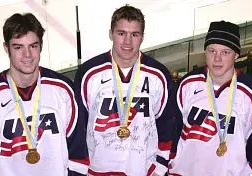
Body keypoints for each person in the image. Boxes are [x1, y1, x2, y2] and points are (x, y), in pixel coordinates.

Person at [74, 5, 178, 176]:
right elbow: (79, 127)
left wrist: (158, 168)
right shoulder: (89, 73)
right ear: (111, 34)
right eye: (121, 33)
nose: (127, 42)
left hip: (142, 170)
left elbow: (166, 125)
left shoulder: (158, 75)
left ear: (142, 38)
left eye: (134, 35)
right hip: (97, 170)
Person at [0, 13, 89, 176]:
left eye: (33, 46)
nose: (27, 55)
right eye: (18, 47)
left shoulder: (64, 90)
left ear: (41, 45)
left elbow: (78, 153)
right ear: (6, 48)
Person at [168, 21, 252, 176]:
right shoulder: (188, 83)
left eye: (225, 52)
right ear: (205, 52)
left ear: (236, 54)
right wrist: (171, 162)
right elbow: (172, 130)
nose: (217, 59)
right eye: (212, 51)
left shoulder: (251, 92)